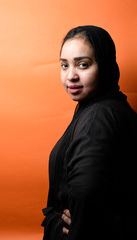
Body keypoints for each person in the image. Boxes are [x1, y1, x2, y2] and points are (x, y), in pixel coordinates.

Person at [41, 25, 137, 240]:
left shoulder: (99, 116)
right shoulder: (108, 108)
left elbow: (87, 190)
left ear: (104, 66)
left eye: (83, 65)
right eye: (64, 65)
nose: (71, 76)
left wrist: (83, 226)